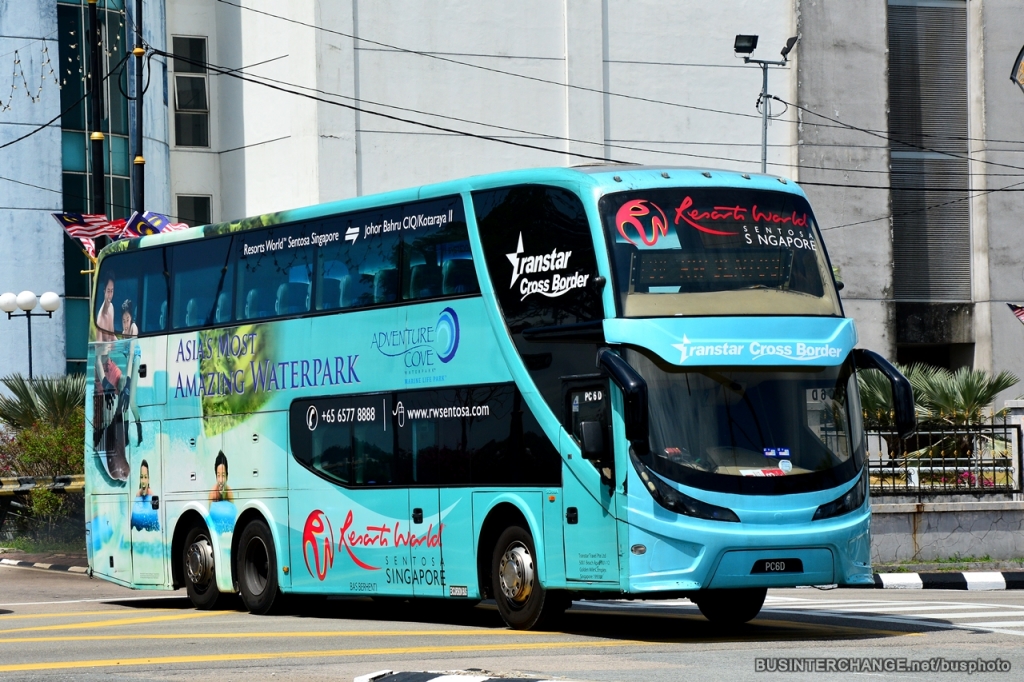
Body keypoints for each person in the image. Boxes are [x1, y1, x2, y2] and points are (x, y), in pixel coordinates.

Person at [96, 272, 117, 341]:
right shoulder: (100, 319)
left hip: (112, 350)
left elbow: (112, 336)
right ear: (104, 291)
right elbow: (98, 349)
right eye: (108, 291)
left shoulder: (111, 308)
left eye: (112, 291)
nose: (110, 295)